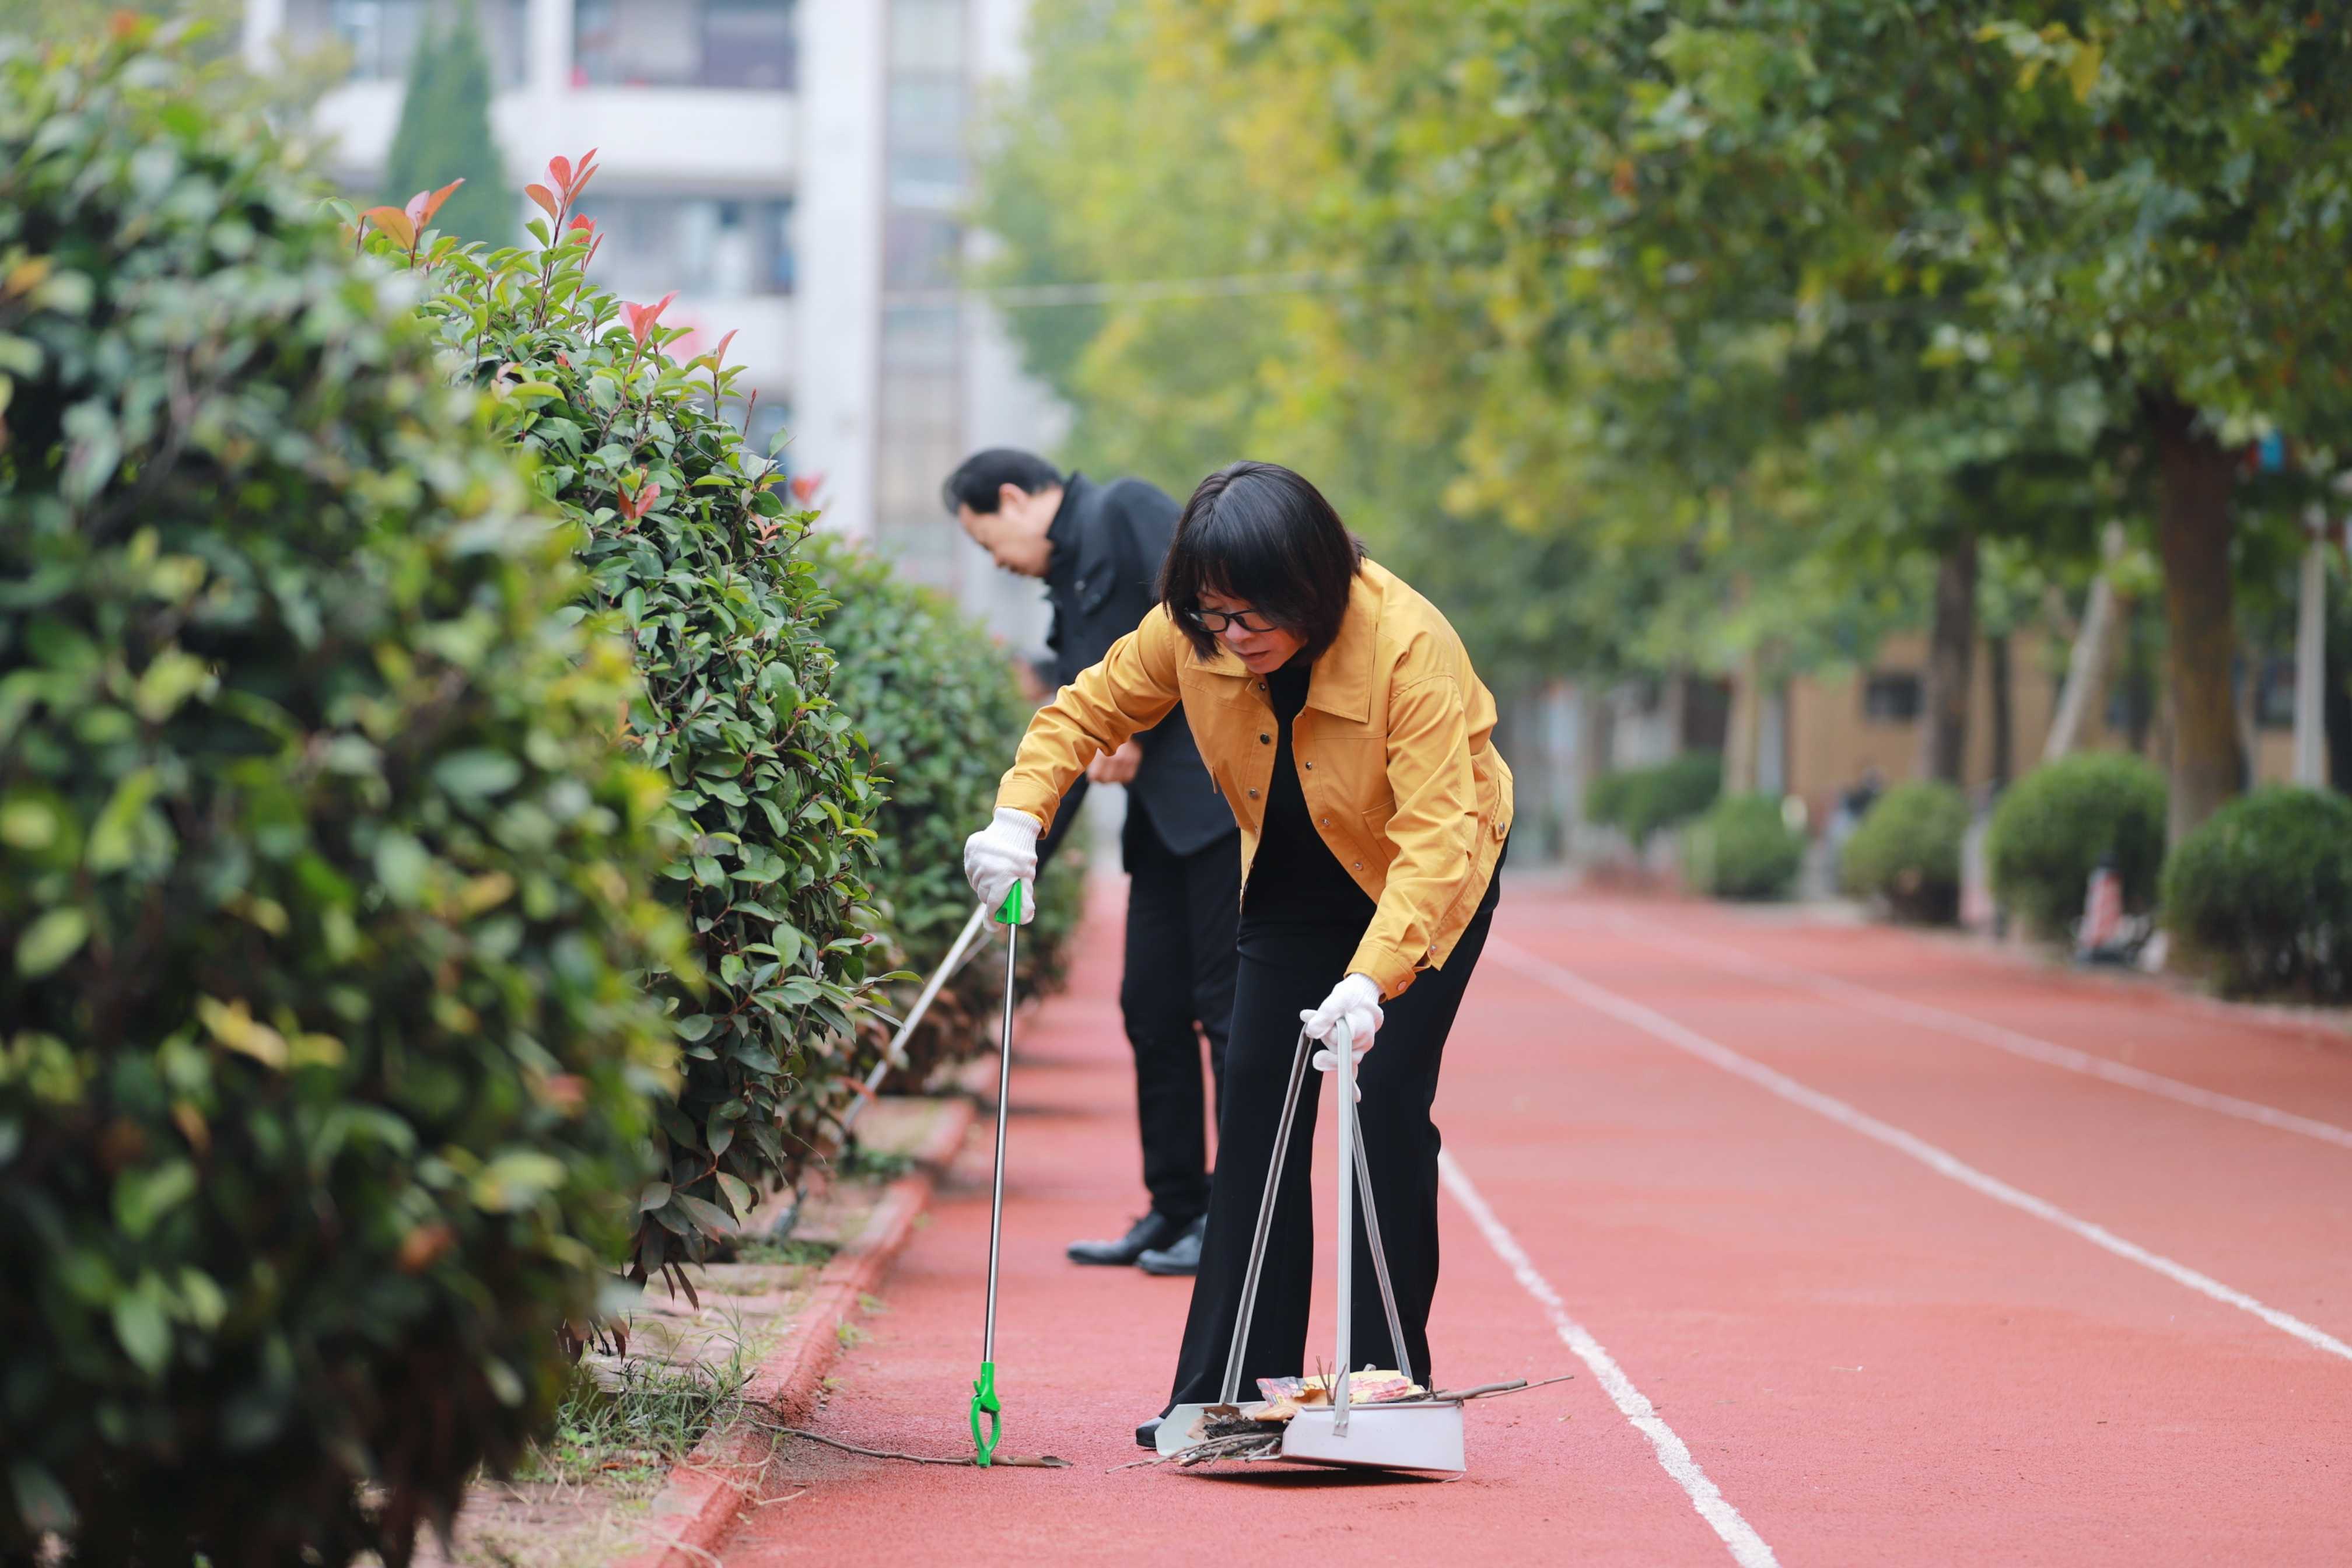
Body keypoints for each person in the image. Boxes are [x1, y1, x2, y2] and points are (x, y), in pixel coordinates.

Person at [961, 461, 1513, 1447]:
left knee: (1383, 1105)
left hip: (1426, 879)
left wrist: (1370, 981)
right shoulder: (1191, 632)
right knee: (1257, 1102)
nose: (1235, 637)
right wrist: (1016, 819)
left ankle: (1387, 1384)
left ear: (1314, 584)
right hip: (1295, 877)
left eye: (1255, 615)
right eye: (1214, 616)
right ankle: (1228, 1386)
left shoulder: (1409, 647)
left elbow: (1437, 843)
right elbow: (1085, 711)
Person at [944, 449, 1241, 1276]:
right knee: (1149, 1009)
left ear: (1014, 498)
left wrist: (1140, 726)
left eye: (987, 540)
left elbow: (1207, 624)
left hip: (1224, 815)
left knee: (1228, 1019)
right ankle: (1176, 1208)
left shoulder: (1126, 509)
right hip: (1162, 833)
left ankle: (1236, 1226)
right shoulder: (1067, 588)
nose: (997, 560)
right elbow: (1079, 730)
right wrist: (1021, 849)